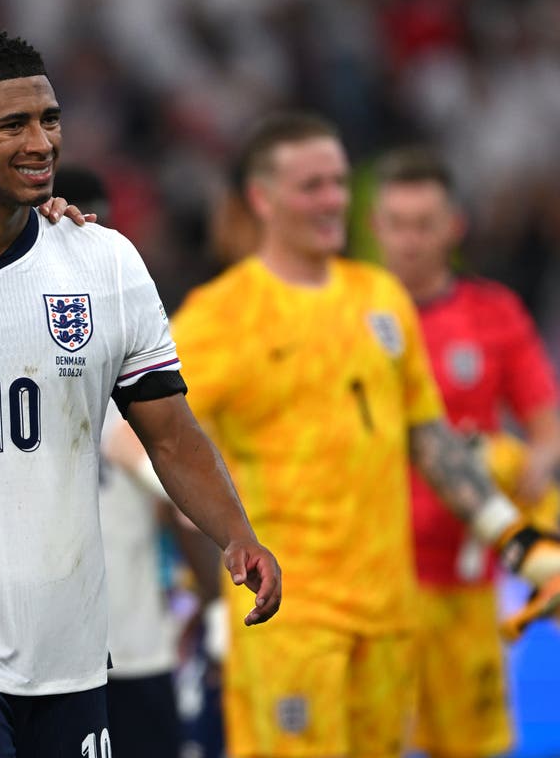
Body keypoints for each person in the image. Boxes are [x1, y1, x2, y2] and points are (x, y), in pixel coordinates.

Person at [0, 30, 281, 758]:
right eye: (13, 124)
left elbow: (170, 432)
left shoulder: (105, 262)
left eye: (50, 119)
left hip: (72, 652)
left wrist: (236, 532)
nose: (41, 141)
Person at [170, 110, 560, 758]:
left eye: (339, 182)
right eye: (312, 185)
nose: (332, 200)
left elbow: (429, 441)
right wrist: (218, 535)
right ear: (263, 199)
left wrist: (518, 541)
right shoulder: (222, 316)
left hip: (388, 616)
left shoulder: (380, 298)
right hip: (290, 620)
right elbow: (143, 435)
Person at [371, 146, 560, 758]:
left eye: (424, 224)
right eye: (397, 224)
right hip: (373, 583)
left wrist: (533, 463)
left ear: (455, 226)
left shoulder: (493, 314)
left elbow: (547, 425)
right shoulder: (345, 315)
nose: (410, 240)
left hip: (466, 584)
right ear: (375, 228)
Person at [54, 164, 225, 758]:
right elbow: (172, 494)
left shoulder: (48, 365)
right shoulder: (123, 374)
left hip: (66, 651)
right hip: (120, 651)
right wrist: (214, 596)